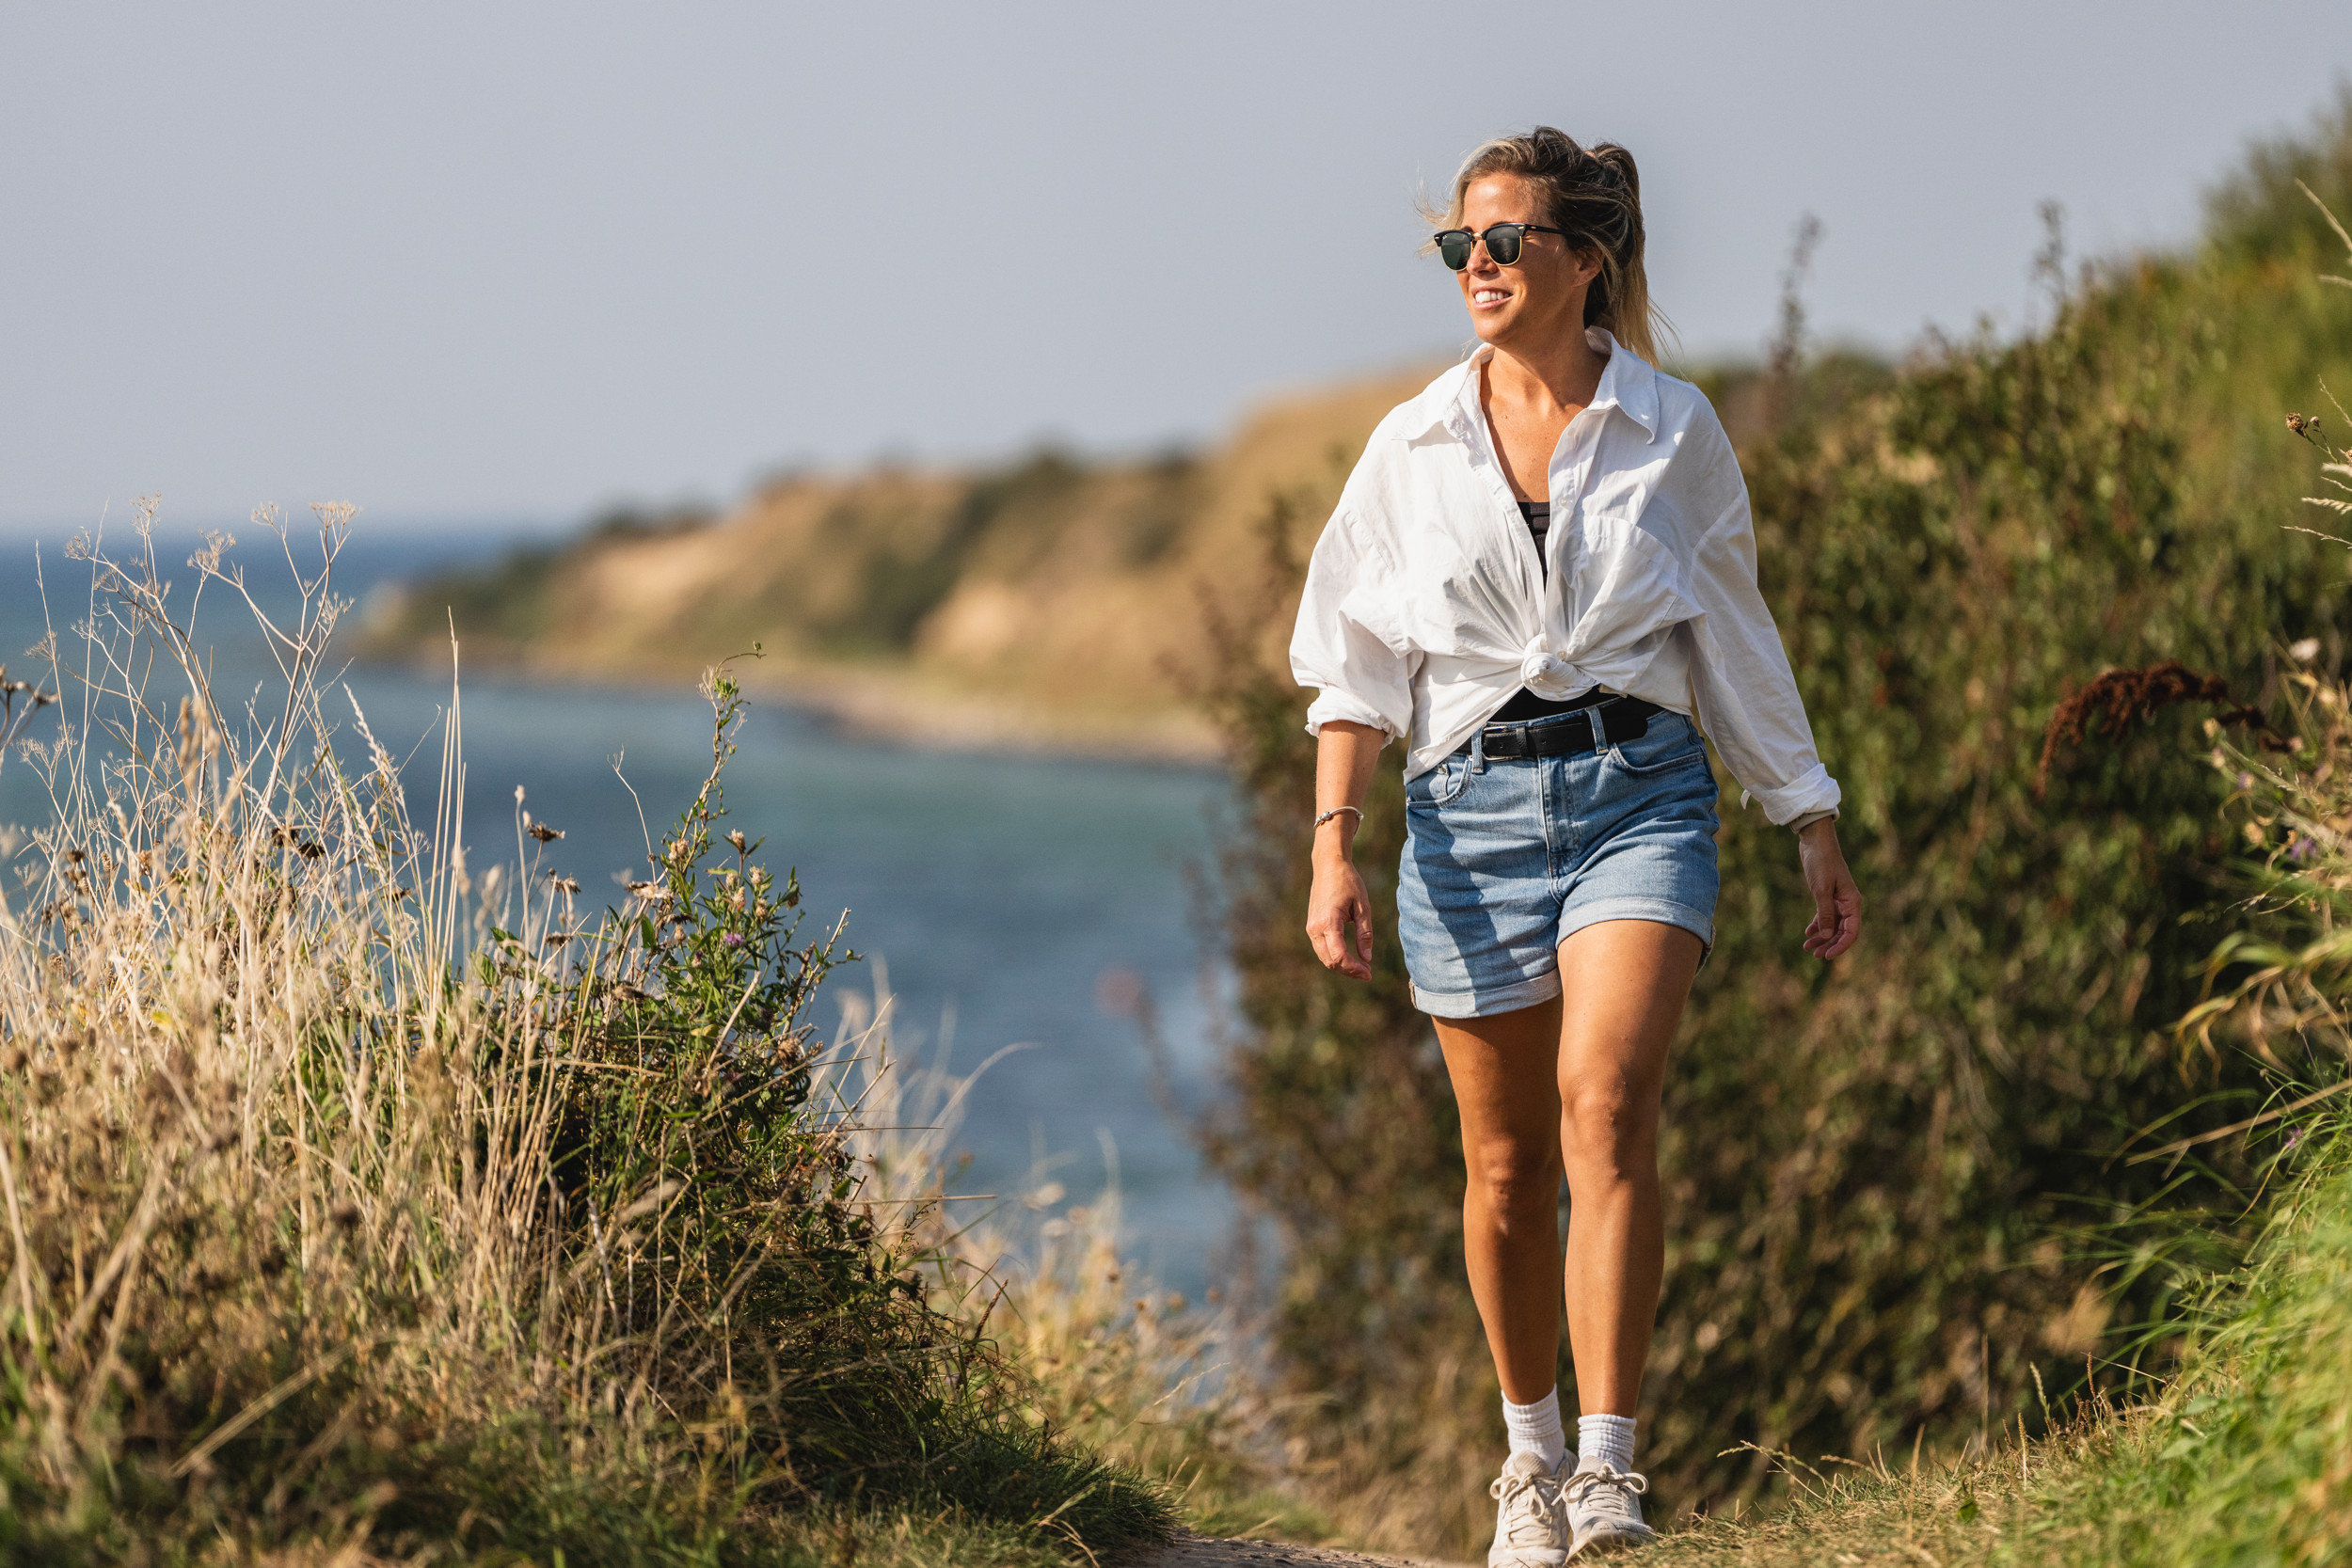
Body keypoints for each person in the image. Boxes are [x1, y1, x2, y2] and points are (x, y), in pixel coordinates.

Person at [1290, 128, 1861, 1563]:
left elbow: (1730, 628)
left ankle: (1609, 1471)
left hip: (1641, 794)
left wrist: (1808, 815)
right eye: (1458, 246)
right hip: (1467, 816)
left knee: (1604, 1108)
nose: (1474, 265)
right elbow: (1351, 663)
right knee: (1500, 1166)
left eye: (1503, 242)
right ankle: (1527, 1459)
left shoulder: (1675, 428)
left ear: (1584, 261)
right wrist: (1331, 848)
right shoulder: (1411, 445)